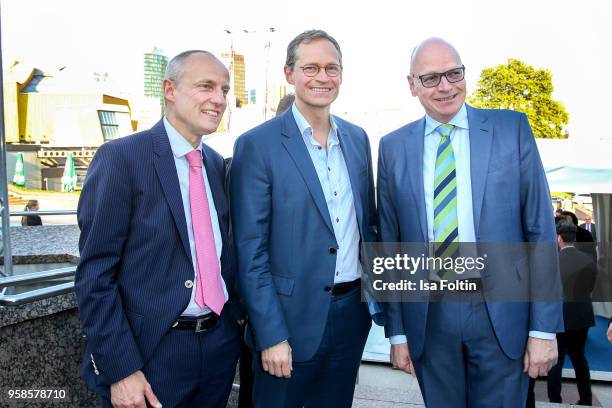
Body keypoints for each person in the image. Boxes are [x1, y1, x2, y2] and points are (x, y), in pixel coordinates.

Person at [377, 38, 563, 407]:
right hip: (429, 317)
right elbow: (390, 245)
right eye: (430, 78)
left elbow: (540, 230)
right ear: (411, 85)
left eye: (454, 73)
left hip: (501, 314)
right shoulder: (392, 147)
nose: (445, 86)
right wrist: (396, 333)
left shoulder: (512, 129)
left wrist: (544, 327)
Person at [75, 50, 242, 408]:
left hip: (217, 349)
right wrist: (121, 370)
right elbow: (95, 275)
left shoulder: (214, 165)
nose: (219, 99)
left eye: (225, 90)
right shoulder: (122, 159)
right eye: (206, 86)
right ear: (170, 89)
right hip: (152, 355)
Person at [230, 29, 377, 408]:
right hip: (287, 323)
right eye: (310, 67)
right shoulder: (256, 145)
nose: (322, 77)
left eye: (332, 68)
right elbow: (251, 251)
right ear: (289, 73)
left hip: (351, 316)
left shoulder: (358, 140)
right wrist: (271, 334)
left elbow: (368, 229)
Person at [236, 92, 295, 408]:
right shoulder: (248, 156)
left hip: (320, 315)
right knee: (255, 392)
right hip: (256, 314)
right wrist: (243, 311)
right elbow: (242, 242)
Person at [545, 218, 595, 405]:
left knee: (557, 360)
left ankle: (554, 400)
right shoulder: (588, 259)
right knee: (580, 358)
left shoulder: (553, 261)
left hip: (559, 315)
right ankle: (586, 399)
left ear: (559, 238)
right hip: (582, 315)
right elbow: (590, 286)